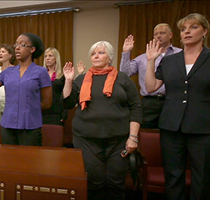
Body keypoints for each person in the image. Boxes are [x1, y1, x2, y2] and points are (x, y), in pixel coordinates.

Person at [62, 41, 142, 200]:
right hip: (86, 139)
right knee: (93, 182)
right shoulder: (82, 78)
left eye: (101, 53)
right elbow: (68, 102)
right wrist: (69, 80)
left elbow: (136, 107)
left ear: (110, 57)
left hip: (118, 140)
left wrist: (133, 137)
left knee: (116, 183)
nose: (96, 56)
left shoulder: (123, 78)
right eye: (93, 53)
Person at [145, 13, 210, 200]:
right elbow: (151, 87)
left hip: (203, 127)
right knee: (173, 176)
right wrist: (151, 61)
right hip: (171, 126)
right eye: (183, 29)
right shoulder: (170, 60)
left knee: (203, 178)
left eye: (193, 27)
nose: (187, 32)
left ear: (204, 31)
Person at [0, 33, 52, 146]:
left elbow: (47, 103)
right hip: (7, 126)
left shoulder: (41, 72)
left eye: (22, 45)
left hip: (30, 127)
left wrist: (27, 107)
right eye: (16, 44)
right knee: (9, 160)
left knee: (29, 161)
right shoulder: (8, 72)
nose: (17, 48)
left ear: (32, 49)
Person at [120, 23, 182, 128]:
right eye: (156, 34)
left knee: (172, 134)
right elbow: (125, 74)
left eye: (162, 33)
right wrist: (126, 52)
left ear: (170, 35)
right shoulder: (143, 58)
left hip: (173, 101)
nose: (158, 36)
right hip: (149, 103)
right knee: (146, 136)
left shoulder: (181, 54)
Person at [42, 47, 86, 126]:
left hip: (56, 113)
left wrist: (64, 112)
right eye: (46, 56)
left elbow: (67, 95)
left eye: (50, 56)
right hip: (41, 112)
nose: (47, 58)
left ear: (56, 58)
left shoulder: (62, 76)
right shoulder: (40, 75)